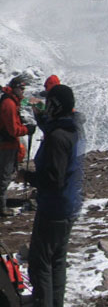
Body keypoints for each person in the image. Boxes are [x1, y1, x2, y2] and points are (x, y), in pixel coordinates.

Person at [28, 84, 82, 307]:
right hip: (68, 206)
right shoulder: (72, 129)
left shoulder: (57, 138)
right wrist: (41, 118)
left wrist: (28, 177)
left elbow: (53, 180)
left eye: (49, 103)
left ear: (56, 105)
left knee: (40, 264)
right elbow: (54, 127)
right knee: (57, 260)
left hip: (53, 208)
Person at [0, 75, 35, 217]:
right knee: (4, 175)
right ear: (15, 88)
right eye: (21, 88)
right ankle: (1, 208)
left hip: (6, 144)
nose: (23, 91)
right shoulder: (9, 103)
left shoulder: (11, 101)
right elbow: (13, 130)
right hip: (6, 145)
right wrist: (27, 129)